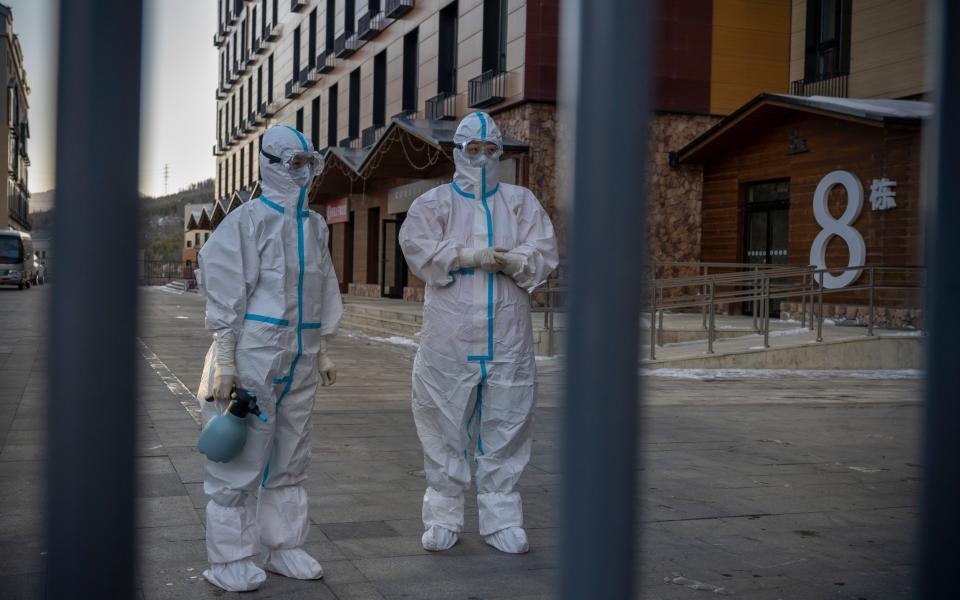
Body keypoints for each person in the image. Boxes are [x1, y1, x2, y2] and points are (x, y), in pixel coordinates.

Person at [398, 112, 559, 554]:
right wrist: (468, 255)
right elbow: (417, 249)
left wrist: (514, 261)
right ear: (457, 152)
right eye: (474, 149)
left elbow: (544, 250)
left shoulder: (520, 201)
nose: (483, 158)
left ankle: (501, 519)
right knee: (442, 426)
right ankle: (444, 516)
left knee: (507, 427)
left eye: (492, 150)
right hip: (449, 339)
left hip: (507, 339)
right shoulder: (433, 204)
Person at [195, 125, 343, 592]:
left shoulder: (314, 226)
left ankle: (285, 546)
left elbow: (322, 288)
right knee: (240, 453)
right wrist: (225, 357)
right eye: (295, 164)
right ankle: (230, 557)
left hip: (300, 354)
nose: (303, 174)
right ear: (273, 164)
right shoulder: (248, 220)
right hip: (255, 351)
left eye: (309, 164)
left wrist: (321, 349)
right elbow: (224, 290)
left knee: (292, 453)